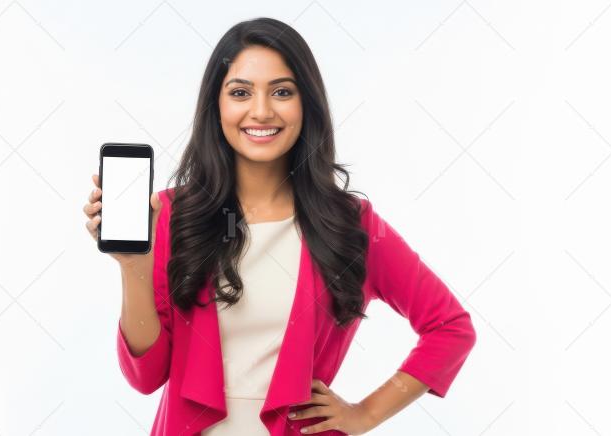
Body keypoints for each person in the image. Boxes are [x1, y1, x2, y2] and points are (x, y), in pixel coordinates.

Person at [84, 17, 476, 436]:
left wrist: (365, 414)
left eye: (282, 92)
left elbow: (449, 328)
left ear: (307, 104)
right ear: (216, 107)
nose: (261, 111)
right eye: (240, 92)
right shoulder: (171, 215)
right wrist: (133, 266)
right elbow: (145, 377)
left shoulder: (350, 225)